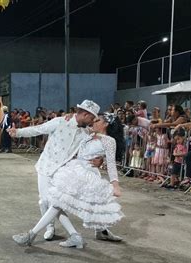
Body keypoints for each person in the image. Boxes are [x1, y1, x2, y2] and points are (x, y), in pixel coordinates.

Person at [8, 100, 122, 243]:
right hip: (48, 166)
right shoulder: (61, 121)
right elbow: (38, 129)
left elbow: (103, 154)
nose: (93, 121)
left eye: (96, 120)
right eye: (92, 118)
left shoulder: (87, 131)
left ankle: (90, 233)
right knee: (46, 201)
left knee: (74, 204)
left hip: (67, 170)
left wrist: (102, 163)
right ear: (85, 114)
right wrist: (17, 132)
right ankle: (52, 229)